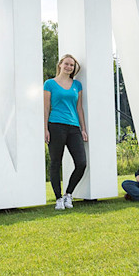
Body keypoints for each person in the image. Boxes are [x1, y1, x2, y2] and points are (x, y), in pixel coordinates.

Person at [44, 54, 88, 210]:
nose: (69, 67)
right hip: (55, 125)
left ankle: (68, 194)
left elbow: (79, 108)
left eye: (72, 65)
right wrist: (45, 129)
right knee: (56, 163)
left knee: (81, 163)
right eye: (67, 64)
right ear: (60, 65)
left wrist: (83, 128)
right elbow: (46, 107)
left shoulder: (77, 85)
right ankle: (58, 199)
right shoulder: (49, 84)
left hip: (73, 127)